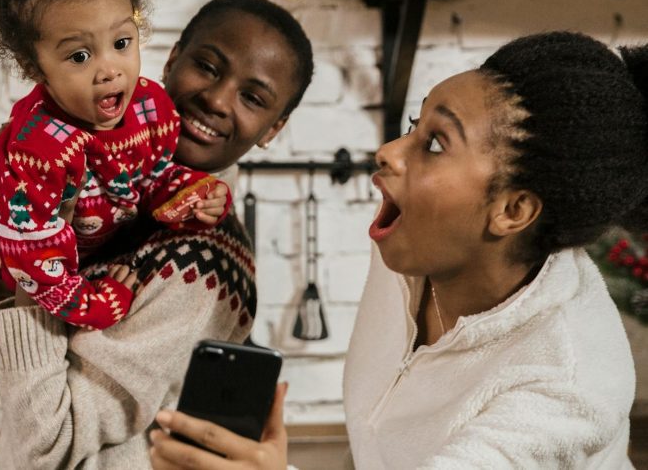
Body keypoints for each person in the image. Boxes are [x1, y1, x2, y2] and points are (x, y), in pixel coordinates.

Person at [149, 31, 647, 469]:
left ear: (513, 210)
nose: (388, 150)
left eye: (434, 143)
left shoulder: (567, 383)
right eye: (414, 123)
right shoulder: (415, 251)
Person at [0, 0, 315, 469]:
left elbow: (43, 451)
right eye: (208, 67)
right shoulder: (109, 161)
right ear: (171, 59)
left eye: (252, 97)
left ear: (273, 129)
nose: (216, 98)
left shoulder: (203, 260)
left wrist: (22, 292)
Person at [0, 0, 234, 469]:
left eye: (122, 43)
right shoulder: (39, 148)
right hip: (22, 237)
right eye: (79, 57)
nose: (109, 69)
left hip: (81, 228)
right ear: (37, 69)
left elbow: (147, 179)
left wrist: (187, 192)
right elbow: (36, 260)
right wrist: (91, 303)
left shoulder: (148, 107)